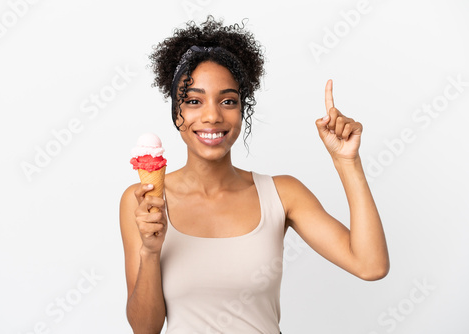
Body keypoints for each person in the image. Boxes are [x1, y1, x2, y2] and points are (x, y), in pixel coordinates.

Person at [119, 16, 389, 334]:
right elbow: (144, 328)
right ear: (177, 113)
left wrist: (348, 162)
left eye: (228, 101)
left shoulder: (282, 194)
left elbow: (370, 265)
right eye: (193, 101)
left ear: (242, 109)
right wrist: (150, 251)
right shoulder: (144, 201)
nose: (211, 115)